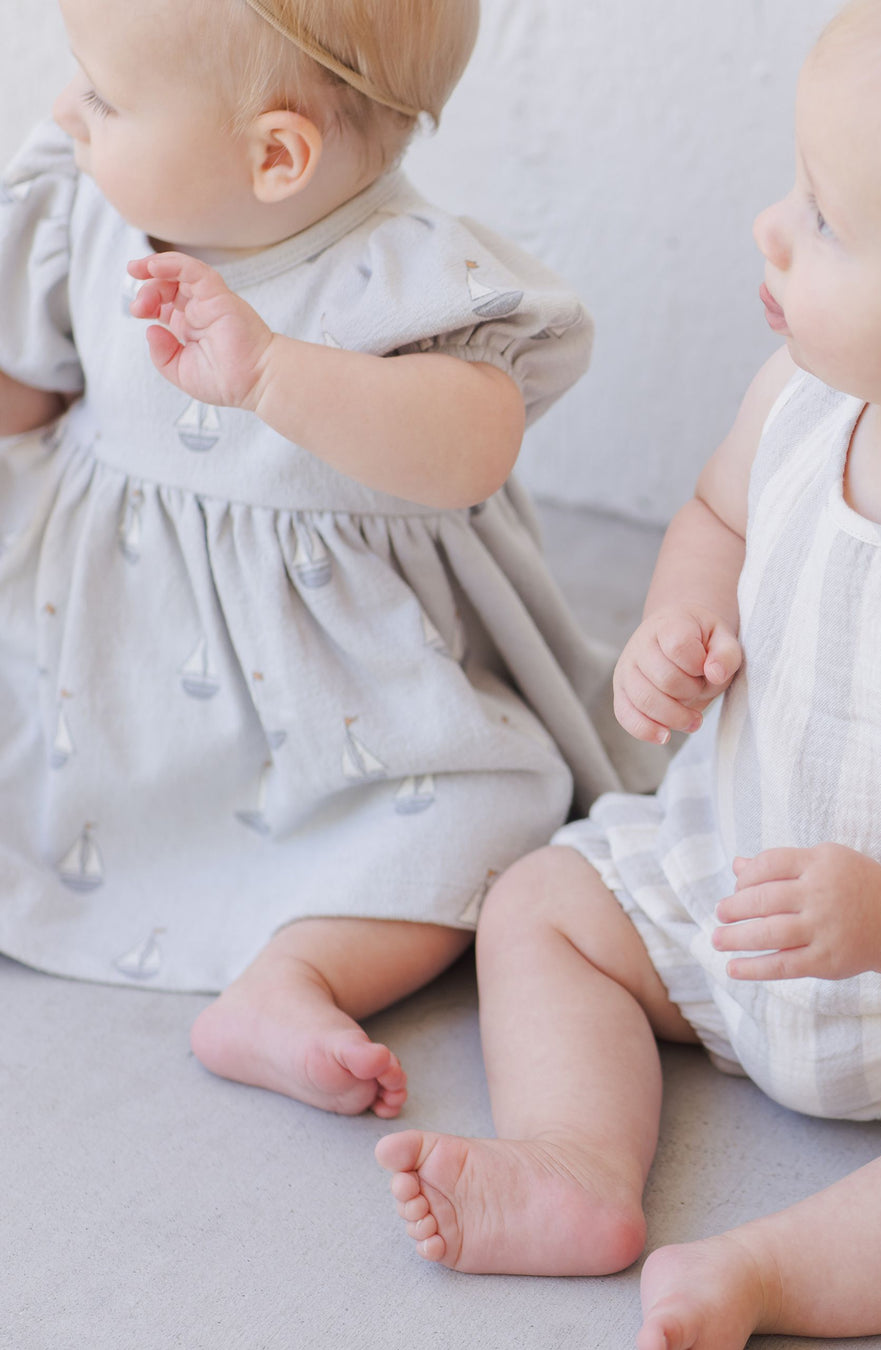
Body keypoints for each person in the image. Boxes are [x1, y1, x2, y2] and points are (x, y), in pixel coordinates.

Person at [374, 0, 881, 1343]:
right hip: (733, 879)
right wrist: (677, 627)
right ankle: (577, 1166)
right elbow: (719, 517)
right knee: (541, 903)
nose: (770, 224)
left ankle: (772, 1272)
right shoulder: (805, 393)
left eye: (826, 216)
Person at [0, 0, 661, 1119]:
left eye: (104, 96)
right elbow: (30, 379)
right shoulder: (87, 201)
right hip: (98, 641)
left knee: (490, 815)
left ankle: (291, 977)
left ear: (277, 156)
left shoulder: (406, 277)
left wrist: (272, 375)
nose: (70, 108)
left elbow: (470, 449)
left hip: (341, 692)